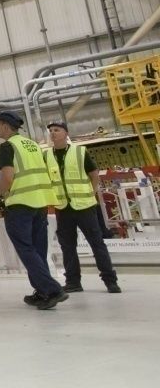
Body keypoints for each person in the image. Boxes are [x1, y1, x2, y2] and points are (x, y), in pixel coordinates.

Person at [0, 111, 67, 310]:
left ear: (4, 126)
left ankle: (53, 290)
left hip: (20, 204)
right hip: (40, 203)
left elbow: (8, 177)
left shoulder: (7, 147)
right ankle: (42, 292)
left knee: (26, 249)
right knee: (38, 250)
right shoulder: (32, 145)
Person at [43, 120, 121, 294]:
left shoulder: (79, 152)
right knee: (68, 247)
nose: (53, 133)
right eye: (51, 131)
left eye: (56, 130)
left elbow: (94, 174)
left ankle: (110, 281)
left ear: (66, 133)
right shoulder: (47, 156)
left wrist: (92, 192)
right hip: (63, 208)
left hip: (85, 207)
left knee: (97, 244)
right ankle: (73, 282)